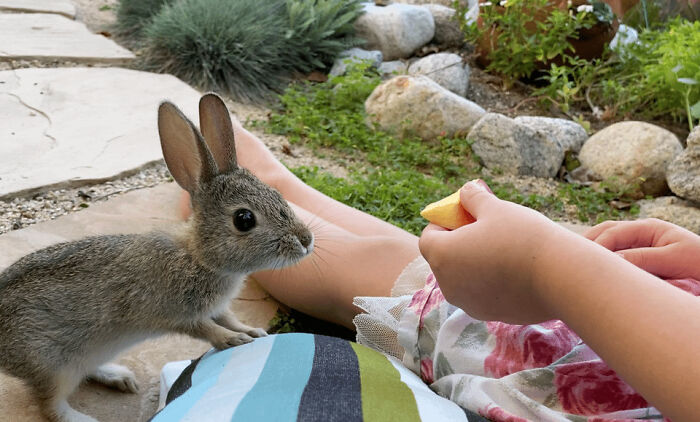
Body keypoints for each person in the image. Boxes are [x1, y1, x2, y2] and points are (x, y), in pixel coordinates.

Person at [179, 118, 700, 422]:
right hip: (673, 314)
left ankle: (241, 206)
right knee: (400, 253)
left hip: (625, 370)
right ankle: (277, 187)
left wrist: (546, 267)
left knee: (391, 281)